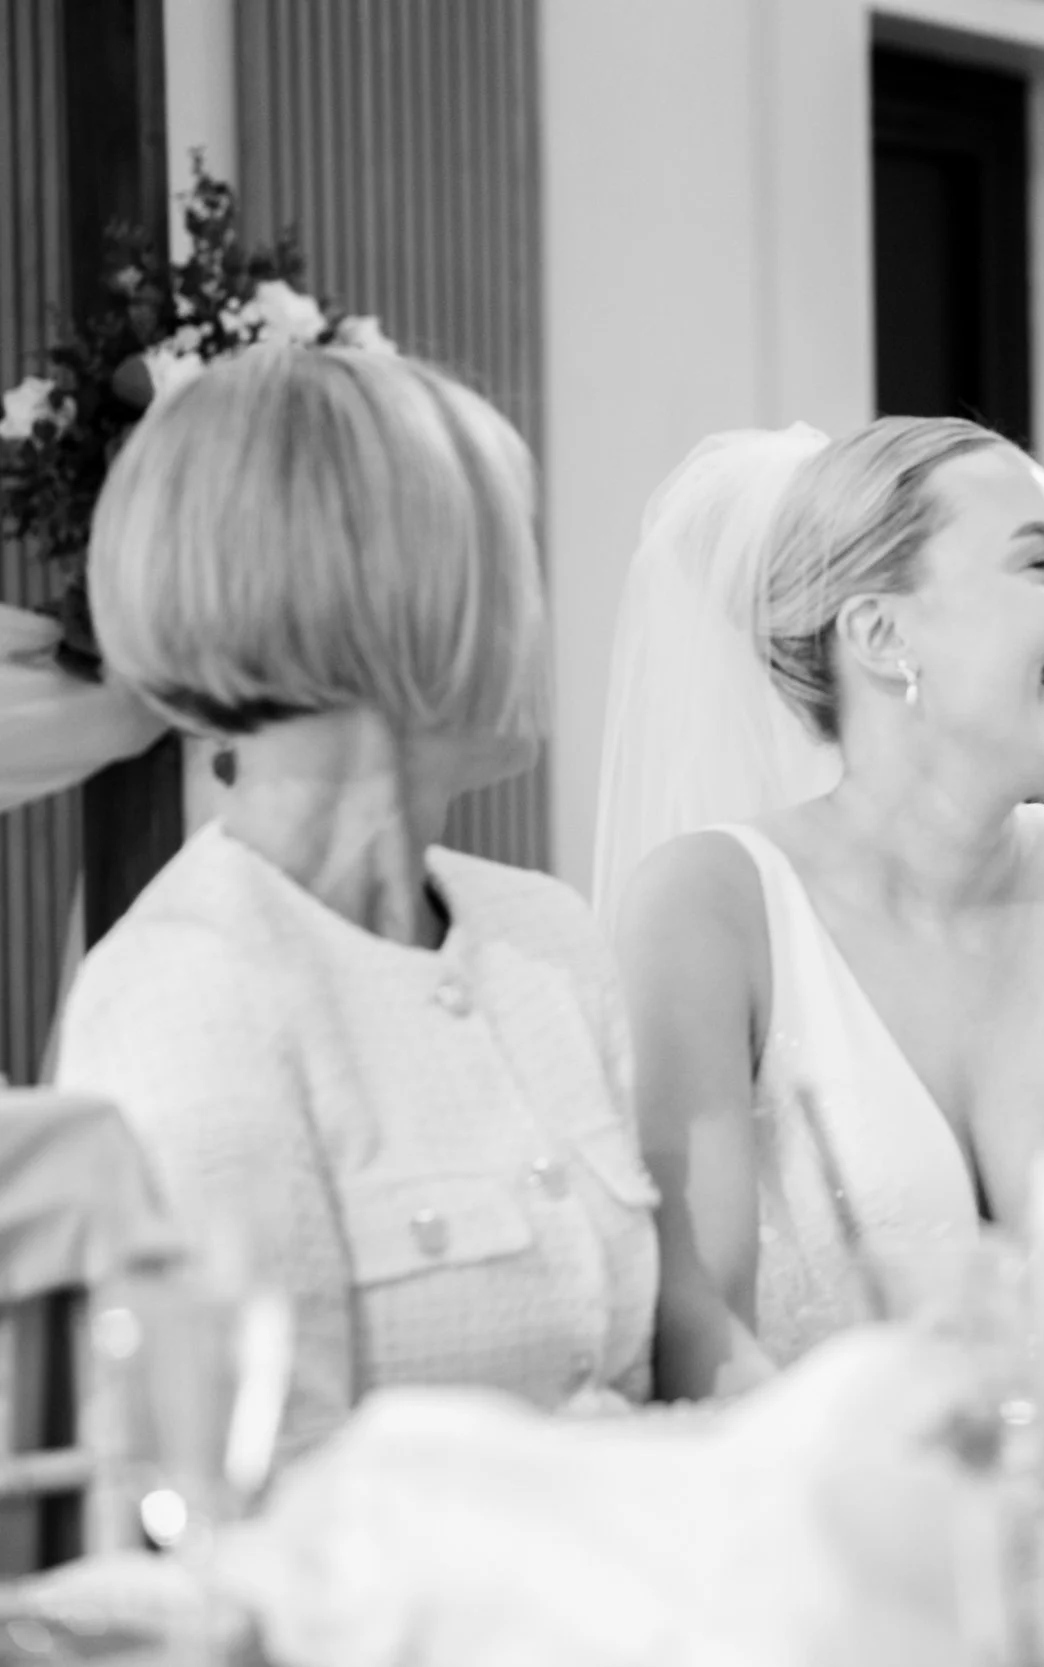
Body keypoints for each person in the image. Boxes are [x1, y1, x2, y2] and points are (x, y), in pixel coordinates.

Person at [597, 417, 1044, 1392]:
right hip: (830, 1477)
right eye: (1043, 564)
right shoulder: (711, 908)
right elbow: (696, 1326)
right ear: (883, 633)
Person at [53, 346, 657, 1466]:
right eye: (507, 560)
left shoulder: (545, 934)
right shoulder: (186, 990)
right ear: (385, 601)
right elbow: (255, 1491)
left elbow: (628, 1380)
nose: (538, 612)